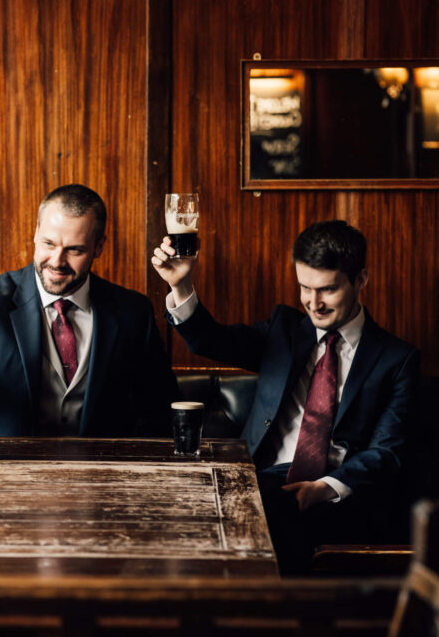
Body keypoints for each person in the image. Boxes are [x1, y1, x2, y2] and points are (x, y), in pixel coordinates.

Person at [151, 219, 419, 574]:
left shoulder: (396, 359)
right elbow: (211, 340)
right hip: (261, 483)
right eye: (305, 288)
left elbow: (387, 450)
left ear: (361, 280)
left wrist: (324, 488)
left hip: (338, 495)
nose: (313, 303)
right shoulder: (283, 330)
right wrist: (181, 284)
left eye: (327, 290)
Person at [0, 184, 178, 437]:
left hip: (101, 466)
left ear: (99, 246)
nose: (57, 261)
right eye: (49, 244)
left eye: (74, 250)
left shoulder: (133, 311)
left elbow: (160, 406)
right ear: (35, 234)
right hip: (7, 466)